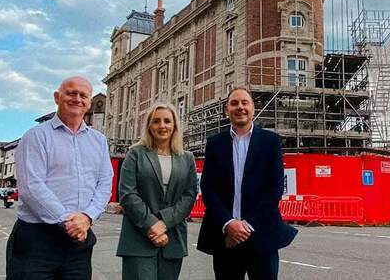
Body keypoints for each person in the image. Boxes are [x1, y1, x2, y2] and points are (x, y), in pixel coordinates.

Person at [6, 76, 113, 280]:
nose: (77, 99)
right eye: (71, 93)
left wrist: (88, 217)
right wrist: (69, 222)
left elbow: (104, 183)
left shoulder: (98, 141)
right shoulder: (36, 136)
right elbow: (32, 187)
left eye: (83, 95)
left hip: (79, 241)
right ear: (57, 97)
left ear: (89, 102)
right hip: (37, 239)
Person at [197, 87, 297, 280]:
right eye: (234, 103)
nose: (240, 107)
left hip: (262, 236)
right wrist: (229, 223)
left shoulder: (271, 141)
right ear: (227, 110)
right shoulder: (215, 143)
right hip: (226, 238)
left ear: (253, 108)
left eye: (245, 102)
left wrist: (246, 225)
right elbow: (208, 189)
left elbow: (274, 189)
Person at [116, 102, 198, 280]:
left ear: (175, 125)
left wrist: (164, 222)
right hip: (138, 238)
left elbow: (189, 195)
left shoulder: (187, 158)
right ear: (149, 126)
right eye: (156, 121)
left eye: (167, 121)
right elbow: (127, 194)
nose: (162, 126)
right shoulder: (135, 154)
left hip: (173, 238)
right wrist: (151, 225)